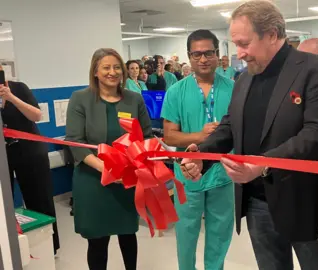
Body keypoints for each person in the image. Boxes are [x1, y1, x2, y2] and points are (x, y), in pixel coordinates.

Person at [179, 1, 318, 269]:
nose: (239, 54)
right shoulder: (245, 78)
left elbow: (317, 133)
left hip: (302, 200)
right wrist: (202, 156)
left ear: (272, 35)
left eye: (244, 44)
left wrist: (263, 164)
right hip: (256, 202)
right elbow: (230, 126)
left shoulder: (315, 70)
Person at [65, 48, 152, 270]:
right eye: (106, 67)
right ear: (95, 71)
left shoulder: (134, 99)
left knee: (127, 234)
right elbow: (75, 142)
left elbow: (147, 137)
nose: (112, 72)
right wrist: (109, 170)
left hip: (127, 180)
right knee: (97, 241)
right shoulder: (80, 99)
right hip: (93, 180)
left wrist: (133, 166)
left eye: (116, 67)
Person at [161, 29, 234, 270]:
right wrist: (200, 136)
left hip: (223, 175)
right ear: (189, 56)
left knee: (220, 234)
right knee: (186, 233)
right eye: (196, 54)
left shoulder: (233, 89)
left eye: (208, 53)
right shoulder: (176, 92)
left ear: (217, 53)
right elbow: (170, 135)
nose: (203, 59)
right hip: (187, 174)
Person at [0, 65, 60, 254]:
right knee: (4, 203)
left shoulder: (19, 88)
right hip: (4, 155)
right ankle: (10, 247)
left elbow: (36, 114)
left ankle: (49, 246)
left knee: (40, 199)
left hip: (30, 151)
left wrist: (10, 97)